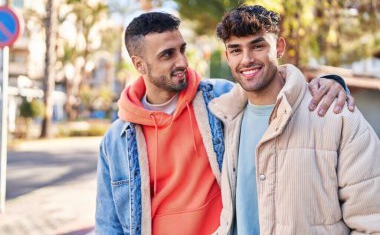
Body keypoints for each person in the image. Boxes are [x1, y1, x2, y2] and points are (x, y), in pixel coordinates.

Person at [95, 12, 352, 235]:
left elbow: (277, 91)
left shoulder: (221, 99)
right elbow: (108, 225)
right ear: (139, 64)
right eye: (167, 55)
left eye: (182, 50)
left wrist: (332, 82)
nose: (182, 62)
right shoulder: (116, 140)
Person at [210, 5, 380, 235]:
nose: (247, 59)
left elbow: (372, 221)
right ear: (227, 56)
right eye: (236, 50)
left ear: (279, 47)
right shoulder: (222, 120)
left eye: (258, 46)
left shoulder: (336, 115)